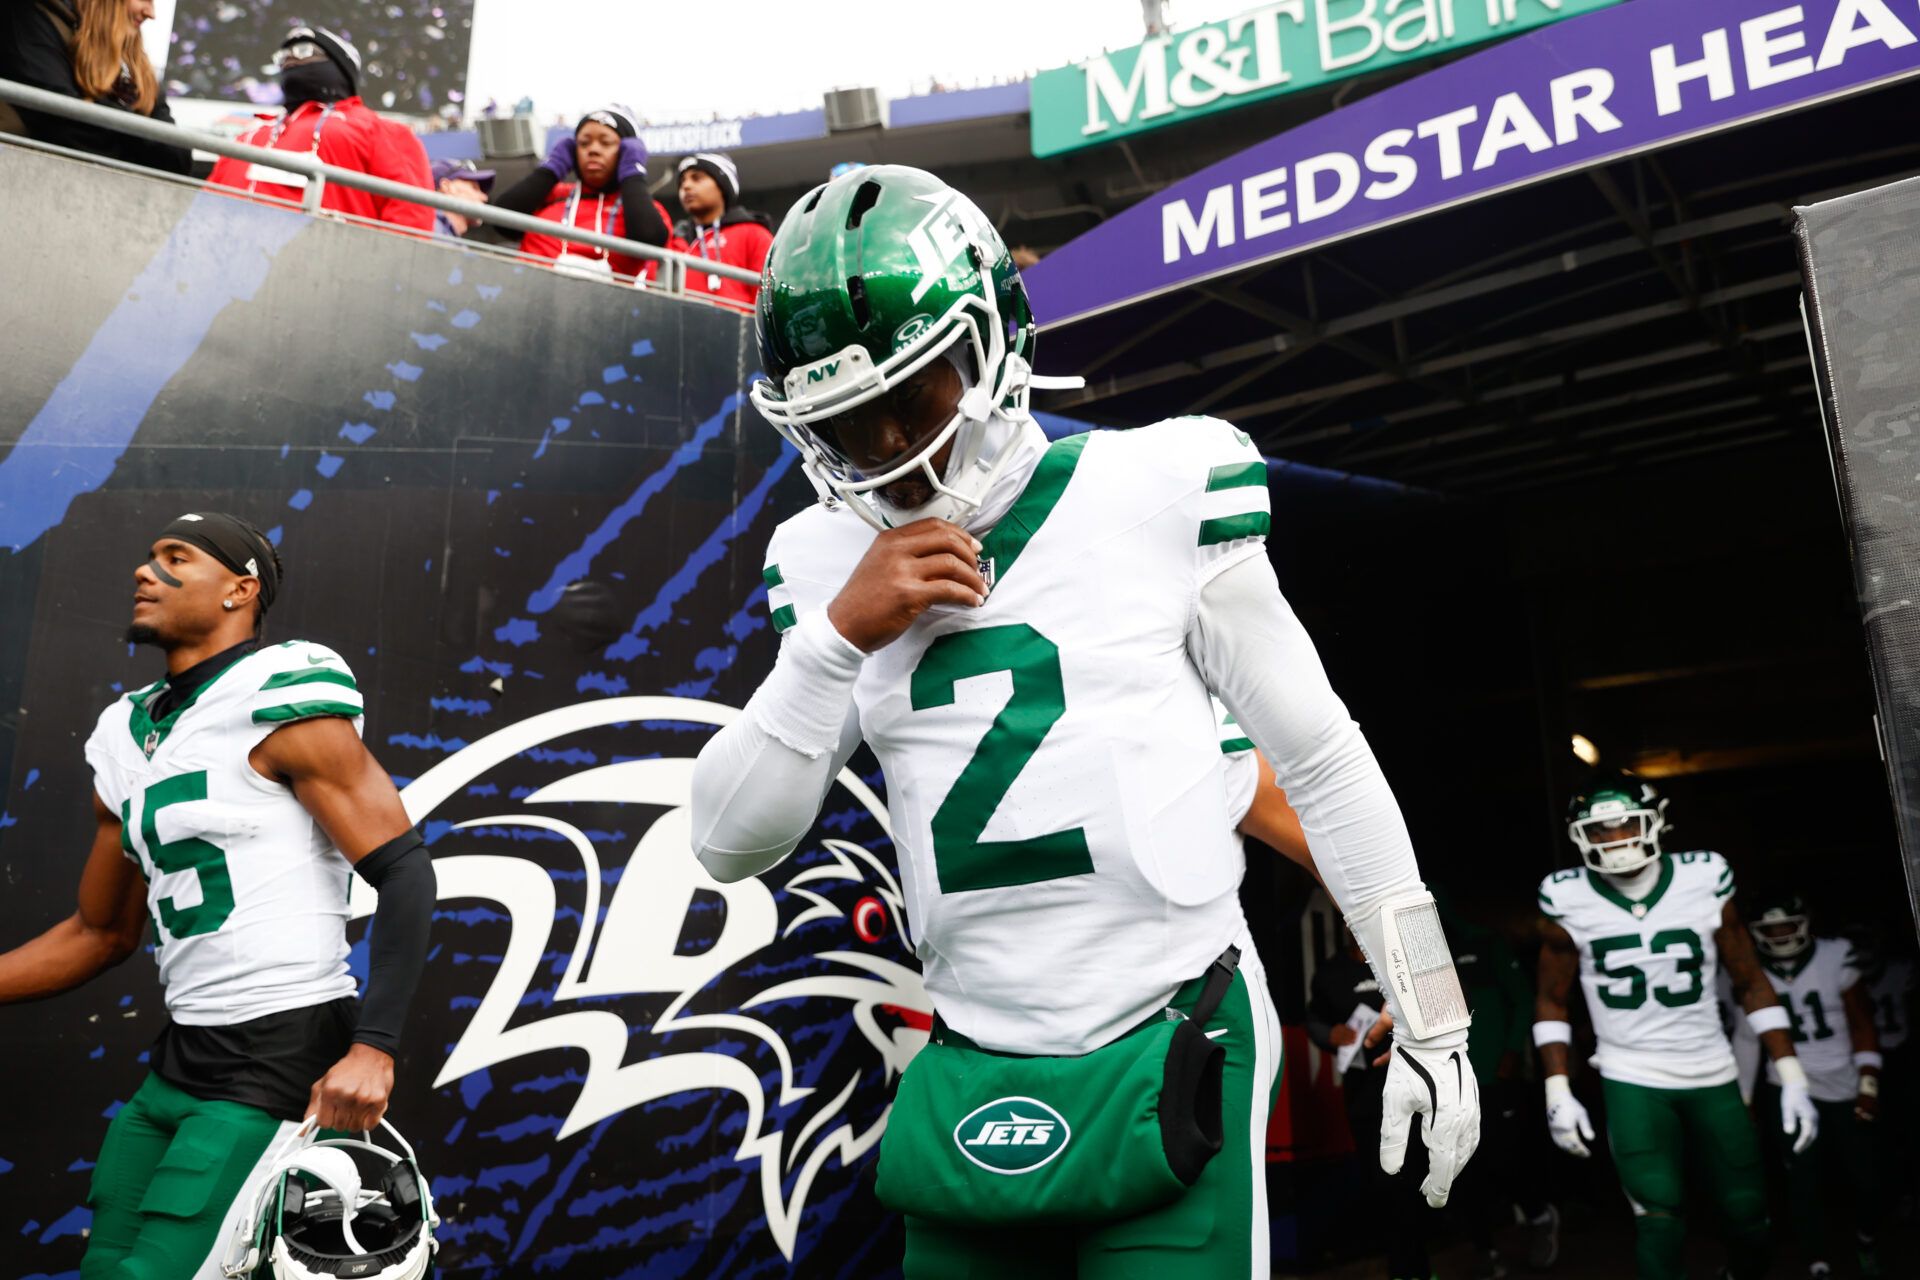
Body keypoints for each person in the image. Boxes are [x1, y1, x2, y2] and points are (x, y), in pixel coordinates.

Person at [690, 165, 1479, 1277]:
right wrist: (834, 639)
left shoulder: (1156, 487)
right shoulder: (823, 561)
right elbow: (728, 841)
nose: (890, 453)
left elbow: (1323, 761)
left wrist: (1433, 1010)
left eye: (911, 399)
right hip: (972, 1064)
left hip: (1173, 1032)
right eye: (846, 425)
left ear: (996, 343)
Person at [0, 512, 436, 1278]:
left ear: (242, 589)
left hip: (279, 1051)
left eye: (176, 558)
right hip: (183, 1055)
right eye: (147, 557)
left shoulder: (282, 693)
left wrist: (376, 1048)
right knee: (104, 1266)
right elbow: (98, 933)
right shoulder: (126, 734)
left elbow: (404, 869)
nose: (146, 571)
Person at [1535, 772, 1817, 1280]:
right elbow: (1552, 999)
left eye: (1625, 825)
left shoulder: (1703, 877)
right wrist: (1557, 1088)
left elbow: (1750, 981)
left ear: (1656, 822)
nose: (1614, 839)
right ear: (1580, 835)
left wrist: (1792, 1075)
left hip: (1712, 1067)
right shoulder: (1566, 896)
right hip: (1631, 1073)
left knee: (1749, 1213)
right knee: (1658, 1217)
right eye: (1598, 830)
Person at [1733, 893, 1884, 1278]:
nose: (1780, 934)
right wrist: (1745, 1098)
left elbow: (1862, 1022)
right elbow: (1749, 1040)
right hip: (1785, 1087)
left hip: (1844, 1082)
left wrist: (1869, 1083)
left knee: (1864, 1177)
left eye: (1786, 924)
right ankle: (1817, 1258)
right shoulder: (1749, 968)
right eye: (1770, 929)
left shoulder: (1835, 955)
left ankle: (1866, 1238)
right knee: (1801, 1179)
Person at [206, 27, 433, 235]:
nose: (290, 59)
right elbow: (205, 204)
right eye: (283, 57)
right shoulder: (250, 134)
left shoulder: (378, 129)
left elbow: (411, 216)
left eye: (304, 50)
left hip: (324, 265)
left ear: (339, 65)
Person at [1308, 925, 1435, 1280]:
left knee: (1416, 1179)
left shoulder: (1396, 962)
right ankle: (1400, 1266)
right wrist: (1327, 1034)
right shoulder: (1331, 973)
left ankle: (1422, 1265)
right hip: (1363, 1094)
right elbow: (1315, 1018)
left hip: (1412, 1087)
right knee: (1381, 1182)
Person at [0, 0, 191, 175]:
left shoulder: (139, 69)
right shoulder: (38, 20)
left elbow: (178, 159)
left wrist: (111, 122)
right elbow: (64, 126)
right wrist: (140, 141)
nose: (151, 13)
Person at [489, 106, 670, 282]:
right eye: (583, 143)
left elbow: (650, 238)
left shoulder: (644, 209)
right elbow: (502, 222)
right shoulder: (552, 195)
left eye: (606, 143)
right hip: (531, 300)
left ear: (626, 152)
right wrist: (552, 169)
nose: (593, 150)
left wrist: (633, 174)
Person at [672, 151, 773, 310]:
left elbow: (768, 299)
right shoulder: (676, 241)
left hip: (739, 331)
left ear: (722, 186)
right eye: (682, 181)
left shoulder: (753, 233)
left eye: (697, 178)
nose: (686, 186)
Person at [431, 156, 495, 239]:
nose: (484, 198)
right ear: (446, 186)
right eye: (474, 188)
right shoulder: (433, 228)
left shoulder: (444, 234)